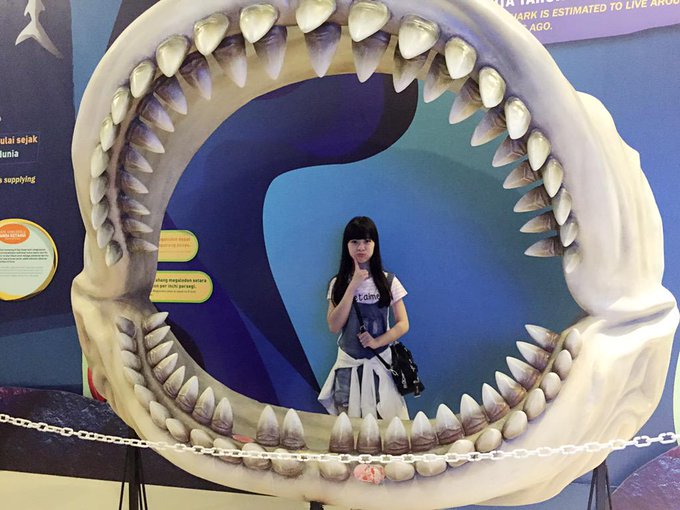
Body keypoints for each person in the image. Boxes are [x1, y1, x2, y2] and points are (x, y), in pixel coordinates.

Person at [318, 216, 410, 421]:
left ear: (375, 244)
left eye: (367, 241)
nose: (361, 247)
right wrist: (353, 285)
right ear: (347, 246)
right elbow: (334, 325)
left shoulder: (388, 281)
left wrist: (377, 341)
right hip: (348, 366)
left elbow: (403, 324)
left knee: (385, 423)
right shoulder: (338, 284)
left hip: (380, 365)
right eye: (355, 242)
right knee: (347, 425)